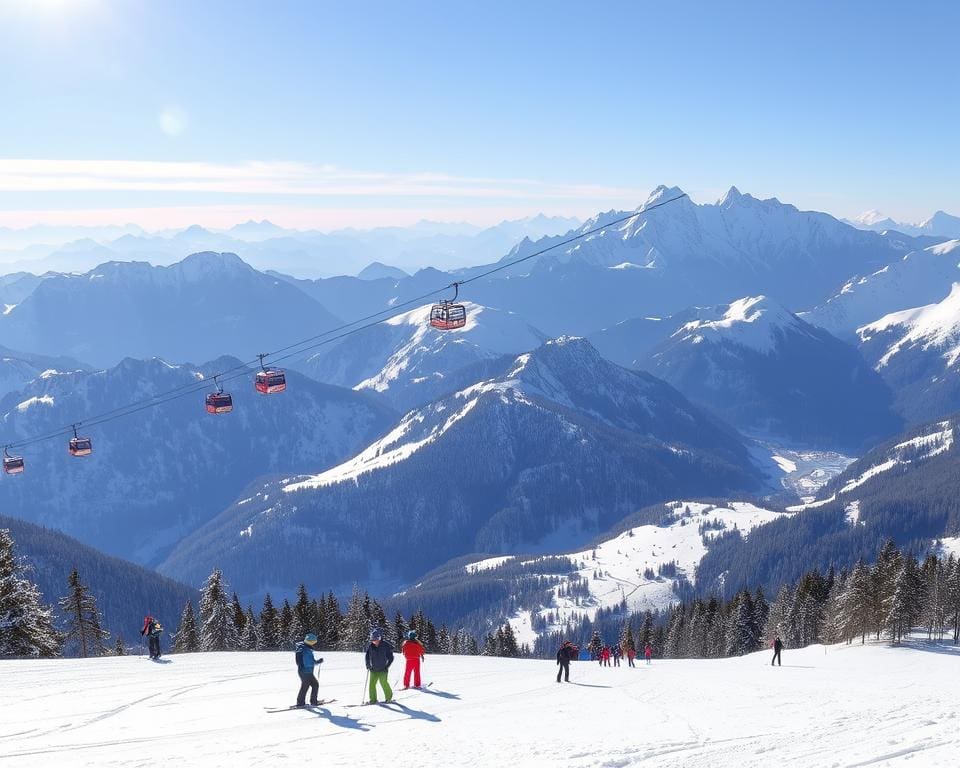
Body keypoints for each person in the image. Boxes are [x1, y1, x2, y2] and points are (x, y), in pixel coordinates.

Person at [365, 629, 394, 703]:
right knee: (371, 685)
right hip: (373, 669)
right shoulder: (371, 646)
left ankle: (389, 697)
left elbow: (391, 657)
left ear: (379, 638)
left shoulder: (385, 645)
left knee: (383, 683)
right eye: (372, 640)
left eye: (375, 639)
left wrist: (387, 666)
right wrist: (368, 665)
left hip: (383, 669)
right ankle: (373, 699)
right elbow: (367, 656)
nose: (374, 641)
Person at [295, 633, 323, 707]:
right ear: (310, 642)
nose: (314, 644)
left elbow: (309, 661)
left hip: (304, 671)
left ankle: (311, 701)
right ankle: (301, 703)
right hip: (306, 671)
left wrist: (316, 662)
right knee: (309, 685)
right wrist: (317, 662)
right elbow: (308, 663)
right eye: (313, 642)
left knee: (313, 685)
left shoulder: (302, 648)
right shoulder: (306, 650)